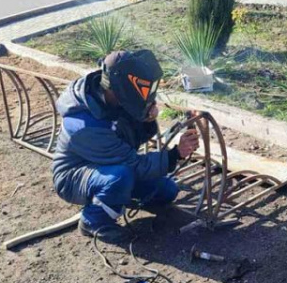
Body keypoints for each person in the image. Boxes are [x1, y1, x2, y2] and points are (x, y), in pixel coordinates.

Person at [52, 49, 200, 242]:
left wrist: (145, 119)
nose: (146, 96)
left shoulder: (113, 100)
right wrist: (175, 155)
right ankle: (93, 220)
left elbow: (132, 141)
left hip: (111, 166)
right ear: (120, 87)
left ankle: (116, 197)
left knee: (167, 191)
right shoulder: (84, 125)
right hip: (73, 177)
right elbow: (132, 164)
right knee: (120, 177)